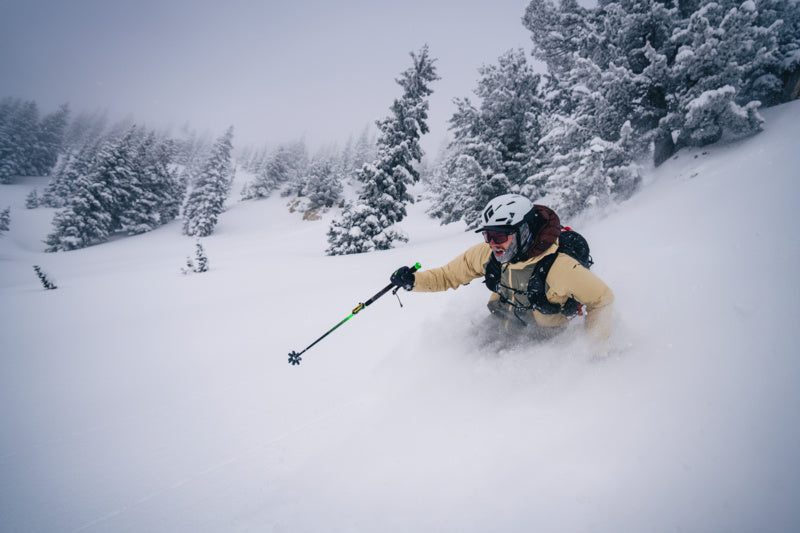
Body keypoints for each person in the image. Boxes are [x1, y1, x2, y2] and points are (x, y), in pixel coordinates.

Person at [390, 193, 614, 355]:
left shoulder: (560, 268)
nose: (492, 244)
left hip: (541, 346)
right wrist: (413, 281)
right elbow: (448, 276)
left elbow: (602, 299)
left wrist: (594, 352)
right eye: (488, 235)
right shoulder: (488, 254)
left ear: (523, 232)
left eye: (500, 236)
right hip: (495, 330)